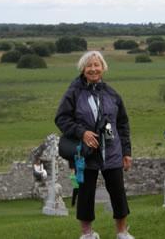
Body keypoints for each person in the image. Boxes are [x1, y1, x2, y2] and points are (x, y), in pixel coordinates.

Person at [55, 51, 134, 239]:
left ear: (103, 68)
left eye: (96, 65)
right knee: (86, 194)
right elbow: (62, 118)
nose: (93, 69)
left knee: (118, 192)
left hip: (112, 151)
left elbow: (122, 124)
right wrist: (81, 132)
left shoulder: (112, 94)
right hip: (85, 154)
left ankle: (122, 232)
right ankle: (87, 234)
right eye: (89, 65)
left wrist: (126, 152)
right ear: (83, 69)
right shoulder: (74, 92)